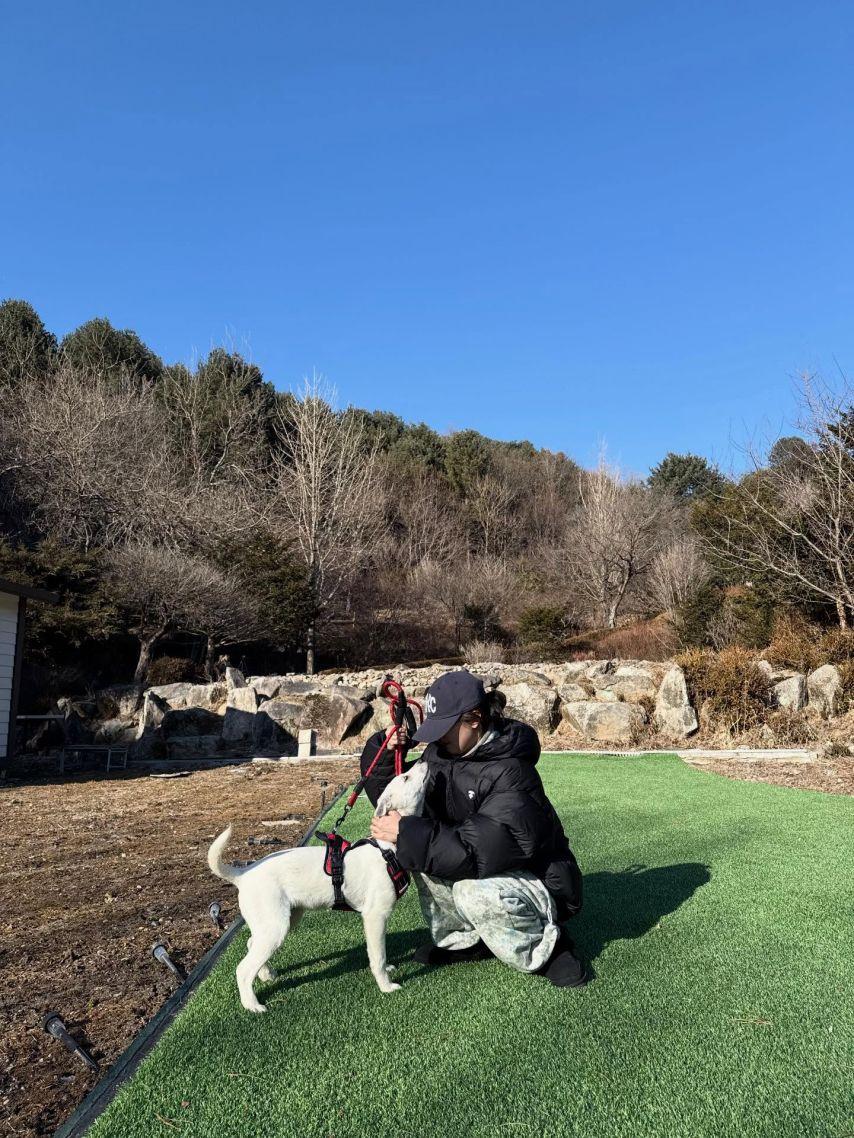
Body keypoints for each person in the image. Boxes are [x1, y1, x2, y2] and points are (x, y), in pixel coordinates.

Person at [360, 669, 589, 987]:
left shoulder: (512, 772)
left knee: (462, 882)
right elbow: (404, 801)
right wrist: (384, 753)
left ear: (475, 718)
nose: (437, 736)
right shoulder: (444, 752)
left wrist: (409, 833)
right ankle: (466, 941)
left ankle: (548, 946)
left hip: (538, 882)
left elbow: (482, 849)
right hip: (482, 865)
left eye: (445, 728)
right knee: (416, 847)